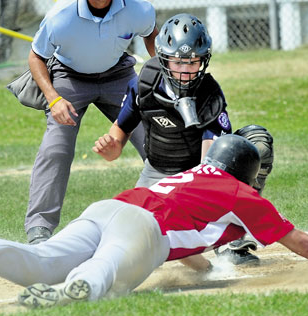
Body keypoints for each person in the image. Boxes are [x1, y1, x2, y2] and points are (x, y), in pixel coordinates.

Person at [0, 135, 308, 309]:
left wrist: (206, 268)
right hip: (143, 228)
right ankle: (73, 291)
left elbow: (192, 240)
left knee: (43, 260)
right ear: (245, 171)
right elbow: (296, 240)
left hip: (108, 208)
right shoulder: (241, 194)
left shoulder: (188, 177)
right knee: (111, 279)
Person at [92, 13, 273, 266]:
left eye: (193, 62)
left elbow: (209, 169)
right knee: (135, 234)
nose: (186, 70)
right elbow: (119, 135)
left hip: (199, 173)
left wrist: (192, 201)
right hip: (157, 171)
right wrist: (111, 147)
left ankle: (233, 233)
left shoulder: (209, 94)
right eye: (178, 62)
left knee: (258, 142)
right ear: (164, 58)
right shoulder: (146, 82)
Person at [24, 0, 159, 244]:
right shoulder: (61, 16)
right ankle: (39, 229)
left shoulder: (139, 9)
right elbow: (36, 57)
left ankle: (177, 215)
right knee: (56, 147)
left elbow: (151, 36)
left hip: (119, 75)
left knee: (157, 139)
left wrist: (159, 75)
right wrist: (54, 100)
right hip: (69, 77)